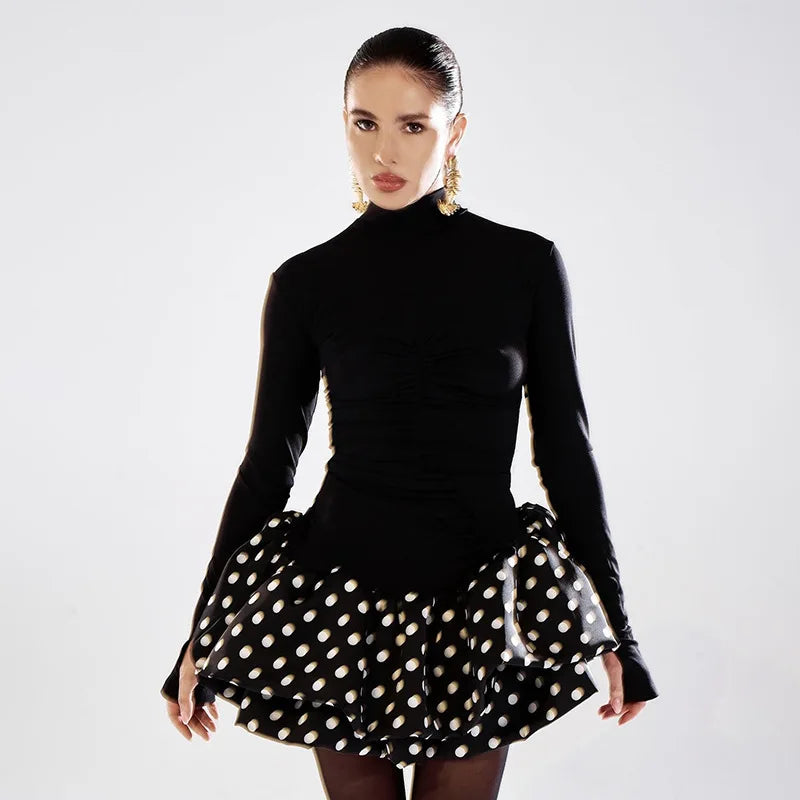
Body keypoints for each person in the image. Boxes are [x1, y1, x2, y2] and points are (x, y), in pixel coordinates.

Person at [160, 26, 659, 800]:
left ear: (455, 132)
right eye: (365, 123)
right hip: (337, 604)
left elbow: (566, 453)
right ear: (344, 125)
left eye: (413, 125)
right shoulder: (306, 283)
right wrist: (202, 631)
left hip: (478, 598)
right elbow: (267, 468)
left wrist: (619, 631)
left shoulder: (524, 266)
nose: (383, 152)